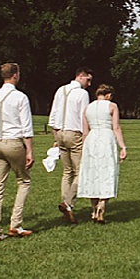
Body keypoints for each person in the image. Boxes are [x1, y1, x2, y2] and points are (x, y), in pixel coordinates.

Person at [0, 62, 35, 241]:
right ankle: (15, 224)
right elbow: (26, 127)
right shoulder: (20, 97)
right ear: (15, 75)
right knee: (24, 181)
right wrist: (29, 150)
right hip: (13, 142)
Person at [77, 84, 128, 224]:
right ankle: (102, 205)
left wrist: (83, 148)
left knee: (92, 173)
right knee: (107, 172)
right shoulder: (112, 106)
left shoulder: (87, 108)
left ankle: (94, 209)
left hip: (92, 139)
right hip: (106, 138)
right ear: (108, 95)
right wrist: (123, 146)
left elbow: (85, 132)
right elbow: (116, 127)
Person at [49, 67, 92, 224]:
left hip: (60, 132)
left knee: (67, 171)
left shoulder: (61, 90)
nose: (89, 83)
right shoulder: (82, 93)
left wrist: (55, 135)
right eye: (88, 79)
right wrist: (85, 136)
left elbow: (53, 114)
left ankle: (65, 204)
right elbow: (83, 116)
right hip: (74, 133)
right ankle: (67, 203)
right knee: (80, 171)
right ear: (80, 76)